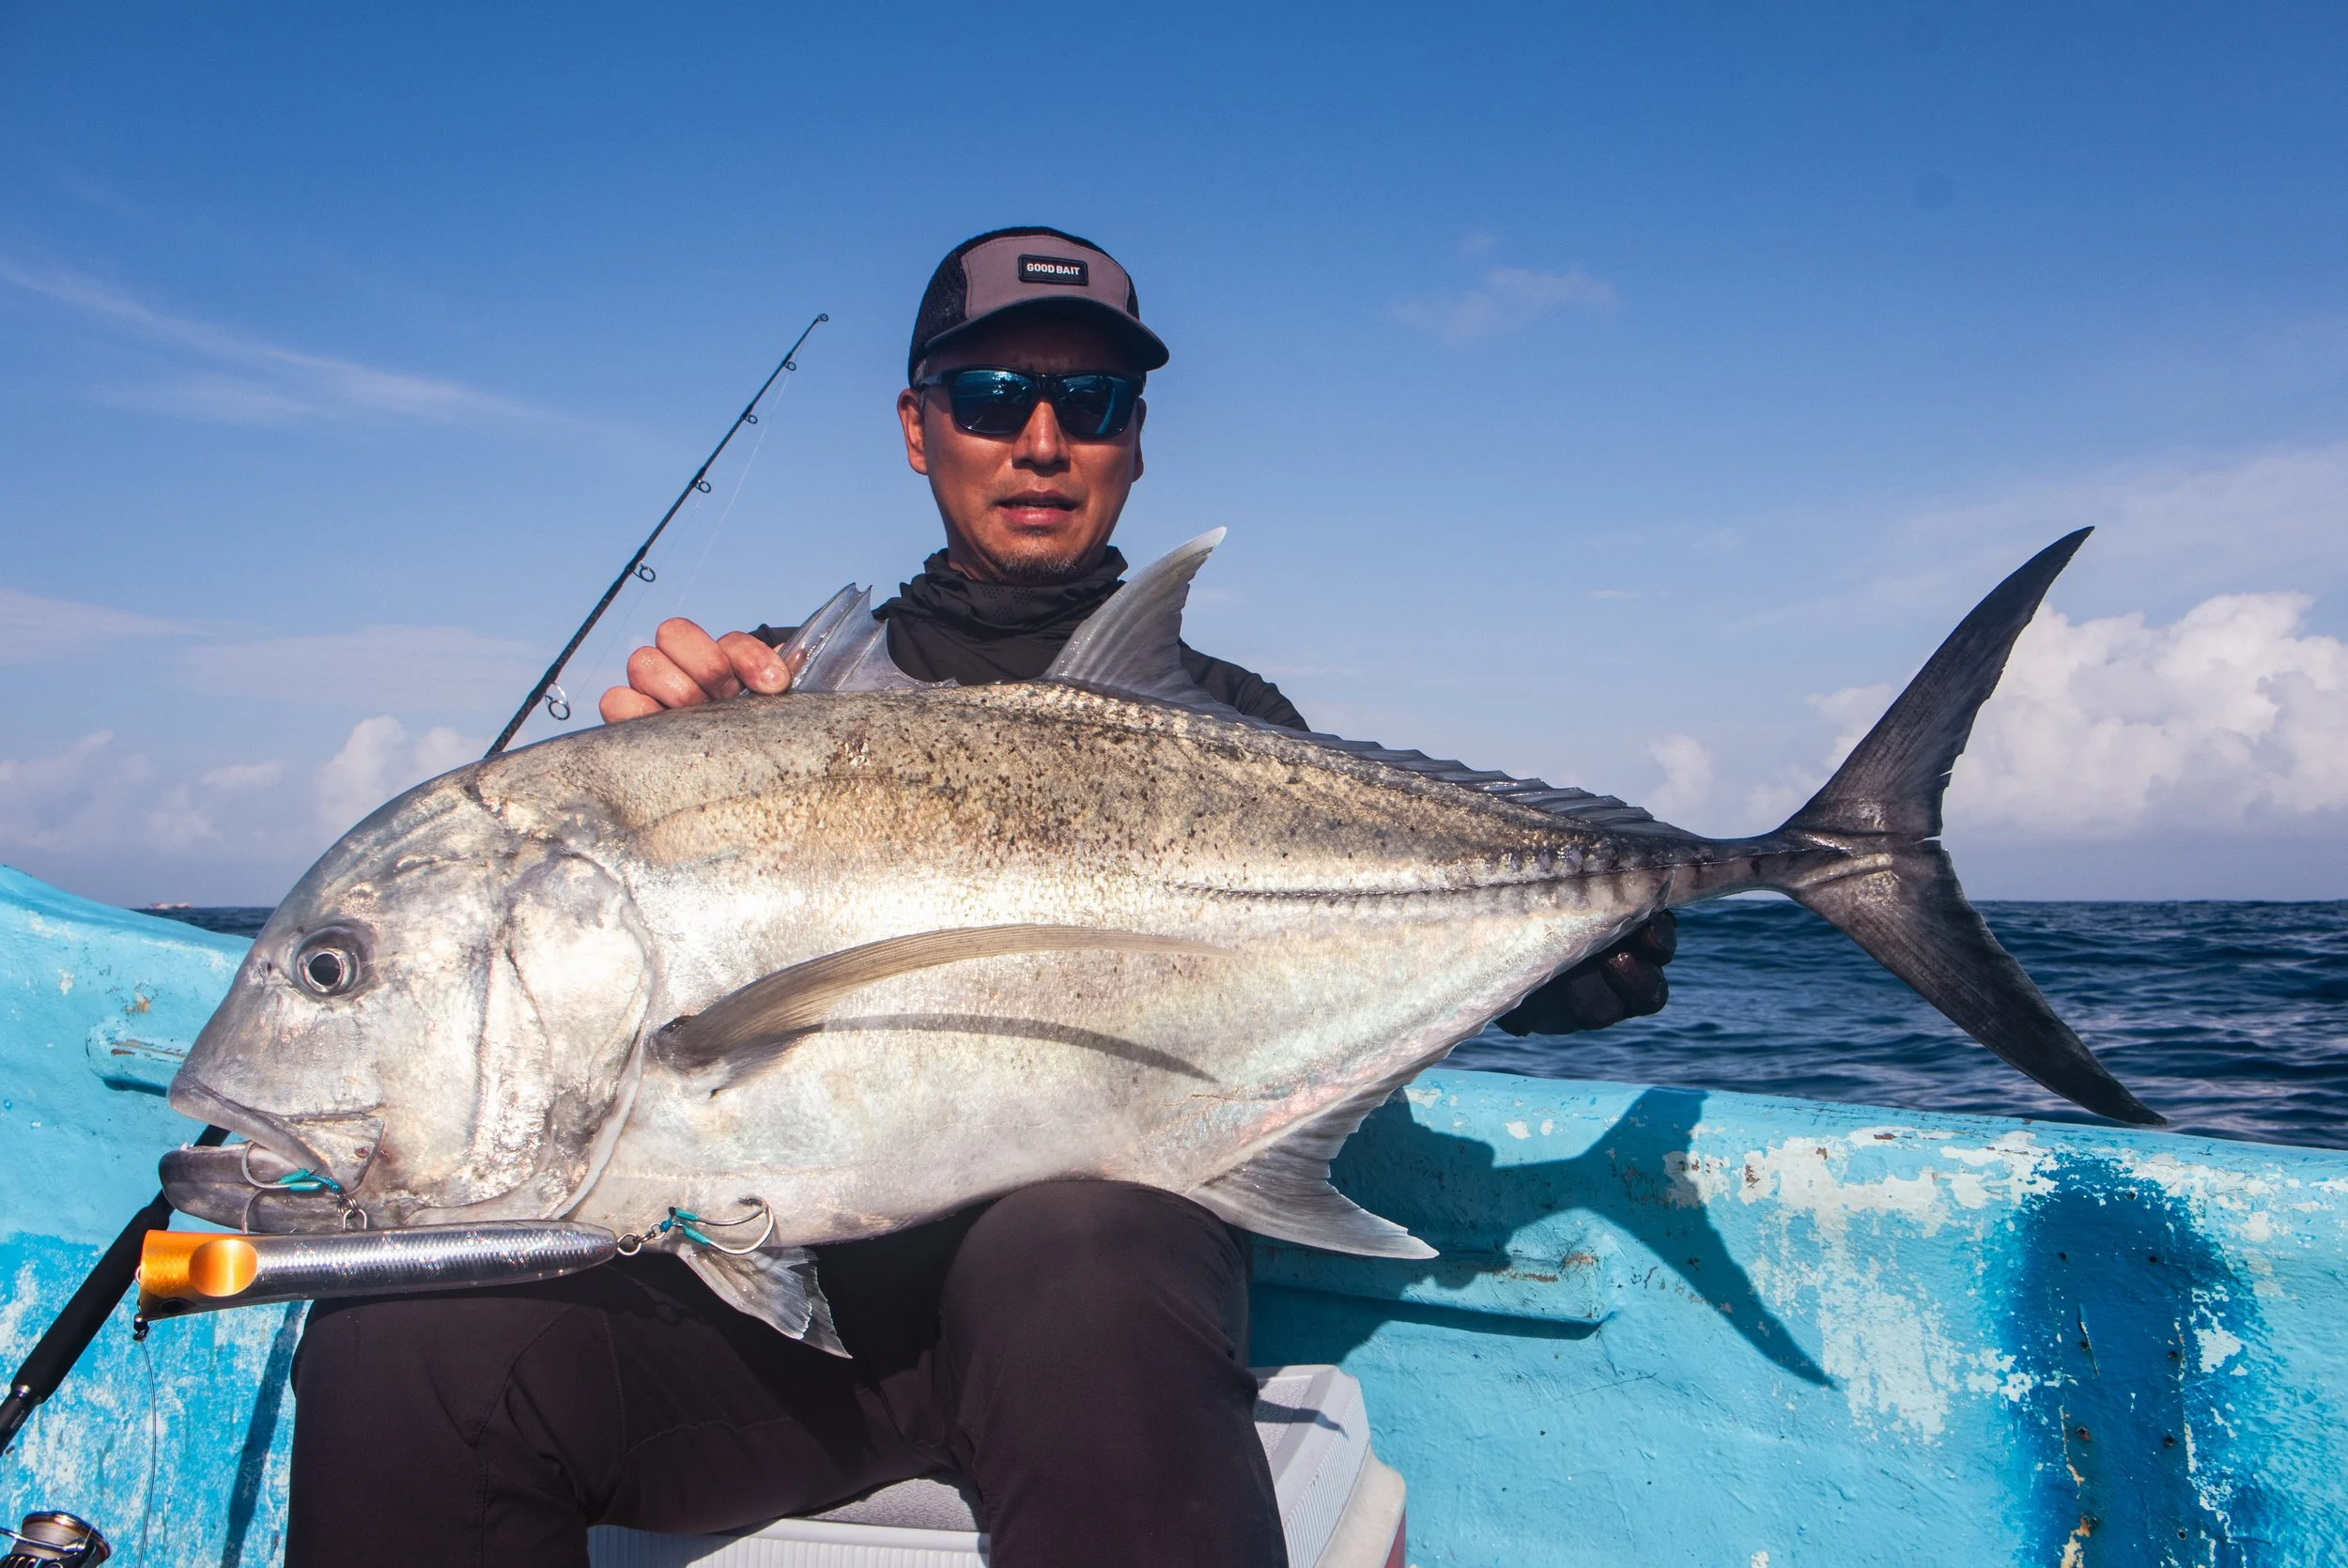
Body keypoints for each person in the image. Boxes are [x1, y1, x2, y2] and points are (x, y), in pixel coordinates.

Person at [287, 228, 1674, 1568]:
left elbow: (1346, 955)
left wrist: (1544, 960)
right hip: (791, 1337)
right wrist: (648, 785)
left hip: (1098, 1308)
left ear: (1136, 437)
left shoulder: (1233, 727)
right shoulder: (763, 702)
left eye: (1093, 399)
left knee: (1079, 1253)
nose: (1042, 439)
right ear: (919, 426)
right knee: (402, 1343)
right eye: (994, 394)